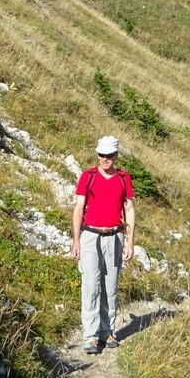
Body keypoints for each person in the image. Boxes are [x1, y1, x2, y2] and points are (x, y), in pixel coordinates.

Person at [70, 135, 135, 355]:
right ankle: (90, 336)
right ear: (97, 154)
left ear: (116, 155)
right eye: (101, 155)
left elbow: (129, 210)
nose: (105, 159)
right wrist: (76, 240)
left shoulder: (124, 178)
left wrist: (130, 242)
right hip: (90, 236)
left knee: (110, 285)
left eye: (109, 155)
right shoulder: (87, 177)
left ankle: (107, 331)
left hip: (114, 236)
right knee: (90, 285)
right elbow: (79, 209)